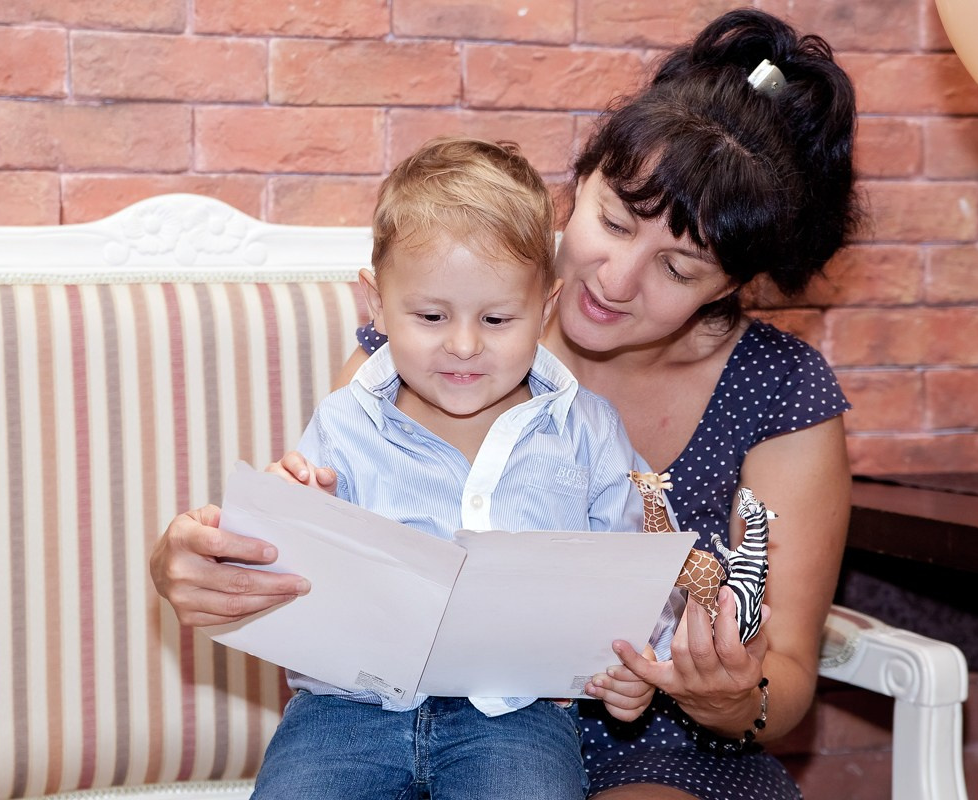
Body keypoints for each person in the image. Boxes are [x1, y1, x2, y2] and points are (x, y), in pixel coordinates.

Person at [150, 8, 860, 799]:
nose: (615, 279)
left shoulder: (778, 390)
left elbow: (787, 675)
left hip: (661, 744)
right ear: (578, 185)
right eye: (613, 221)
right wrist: (203, 561)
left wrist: (729, 696)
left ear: (731, 284)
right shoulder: (432, 343)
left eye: (678, 268)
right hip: (406, 721)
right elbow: (320, 531)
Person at [239, 135, 663, 800]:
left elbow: (637, 578)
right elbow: (289, 580)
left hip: (516, 717)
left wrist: (638, 665)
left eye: (497, 318)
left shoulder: (587, 433)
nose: (463, 345)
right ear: (376, 302)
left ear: (545, 309)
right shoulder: (343, 425)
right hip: (346, 711)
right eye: (432, 315)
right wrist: (287, 517)